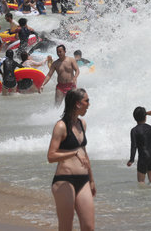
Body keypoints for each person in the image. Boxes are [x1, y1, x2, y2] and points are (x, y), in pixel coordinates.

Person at [47, 88, 95, 231]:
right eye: (87, 101)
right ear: (77, 104)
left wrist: (91, 179)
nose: (89, 104)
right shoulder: (61, 126)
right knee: (66, 227)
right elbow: (51, 156)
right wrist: (73, 153)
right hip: (64, 180)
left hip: (84, 180)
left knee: (89, 227)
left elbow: (84, 153)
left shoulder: (82, 124)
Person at [127, 106, 151, 185]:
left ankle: (142, 197)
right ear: (145, 117)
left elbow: (134, 146)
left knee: (141, 181)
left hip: (143, 157)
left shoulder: (134, 130)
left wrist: (131, 159)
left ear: (134, 118)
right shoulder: (150, 128)